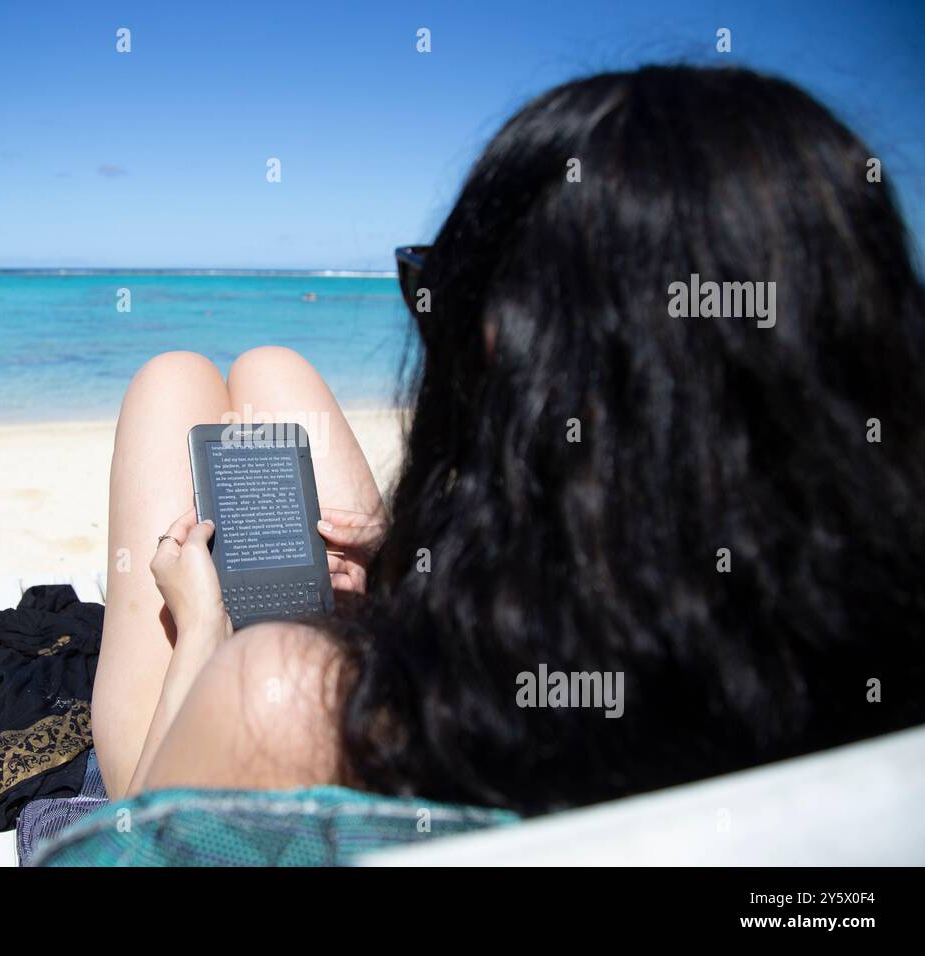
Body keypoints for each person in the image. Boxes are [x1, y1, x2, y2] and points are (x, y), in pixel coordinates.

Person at [90, 66, 925, 815]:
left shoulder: (282, 707)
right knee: (274, 371)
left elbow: (140, 843)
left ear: (505, 343)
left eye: (438, 293)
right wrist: (417, 557)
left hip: (224, 749)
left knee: (173, 381)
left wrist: (203, 629)